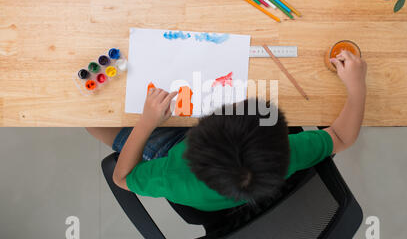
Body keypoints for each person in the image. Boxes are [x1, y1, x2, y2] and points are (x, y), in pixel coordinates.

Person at [86, 50, 367, 215]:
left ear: (197, 140)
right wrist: (356, 88)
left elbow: (121, 178)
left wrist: (146, 122)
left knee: (92, 121)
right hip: (218, 190)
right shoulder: (283, 156)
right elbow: (343, 137)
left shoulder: (174, 176)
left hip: (168, 148)